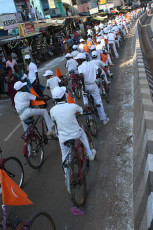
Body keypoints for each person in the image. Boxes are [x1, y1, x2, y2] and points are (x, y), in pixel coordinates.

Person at [50, 86, 97, 168]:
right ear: (64, 96)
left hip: (63, 137)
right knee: (82, 133)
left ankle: (66, 177)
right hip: (75, 134)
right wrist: (87, 108)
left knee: (64, 156)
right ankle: (90, 154)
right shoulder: (72, 106)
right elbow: (82, 109)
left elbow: (54, 119)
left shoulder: (52, 110)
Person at [76, 53, 109, 125]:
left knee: (86, 102)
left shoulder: (80, 67)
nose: (77, 61)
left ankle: (90, 119)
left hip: (85, 86)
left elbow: (81, 76)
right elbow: (99, 70)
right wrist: (97, 76)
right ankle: (104, 119)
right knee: (98, 101)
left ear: (81, 60)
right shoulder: (91, 64)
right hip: (93, 85)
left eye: (78, 60)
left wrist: (84, 87)